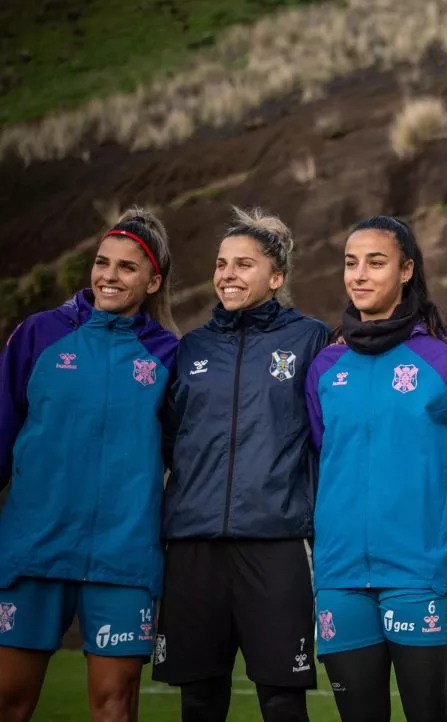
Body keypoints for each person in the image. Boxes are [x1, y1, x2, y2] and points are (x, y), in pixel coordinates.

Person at [305, 215, 447, 722]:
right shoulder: (325, 367)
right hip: (340, 575)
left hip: (420, 573)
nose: (359, 274)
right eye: (351, 263)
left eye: (376, 262)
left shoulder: (446, 359)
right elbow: (322, 455)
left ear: (406, 270)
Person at [0, 208, 178, 722]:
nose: (109, 276)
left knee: (114, 707)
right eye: (102, 262)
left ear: (152, 281)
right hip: (34, 546)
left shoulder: (168, 355)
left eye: (127, 267)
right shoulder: (38, 335)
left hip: (123, 554)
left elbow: (186, 455)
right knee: (8, 701)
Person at [153, 207, 331, 722]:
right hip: (194, 546)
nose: (228, 274)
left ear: (276, 277)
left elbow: (325, 435)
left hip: (275, 542)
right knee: (199, 698)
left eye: (244, 264)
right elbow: (172, 439)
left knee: (282, 698)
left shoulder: (310, 339)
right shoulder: (192, 347)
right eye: (221, 263)